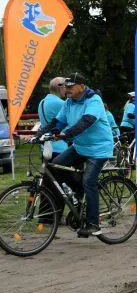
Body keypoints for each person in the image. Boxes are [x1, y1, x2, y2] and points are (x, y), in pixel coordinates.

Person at [37, 72, 115, 237]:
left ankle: (93, 224)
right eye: (66, 87)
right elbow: (58, 122)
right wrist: (40, 134)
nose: (67, 89)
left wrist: (67, 134)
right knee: (56, 166)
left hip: (99, 148)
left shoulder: (94, 100)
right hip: (80, 147)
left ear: (81, 86)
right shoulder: (69, 102)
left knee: (89, 181)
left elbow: (86, 122)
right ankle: (79, 196)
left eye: (70, 86)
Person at [37, 77, 68, 155]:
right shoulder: (61, 103)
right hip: (60, 145)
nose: (67, 90)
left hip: (46, 146)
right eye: (66, 87)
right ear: (61, 88)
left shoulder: (42, 102)